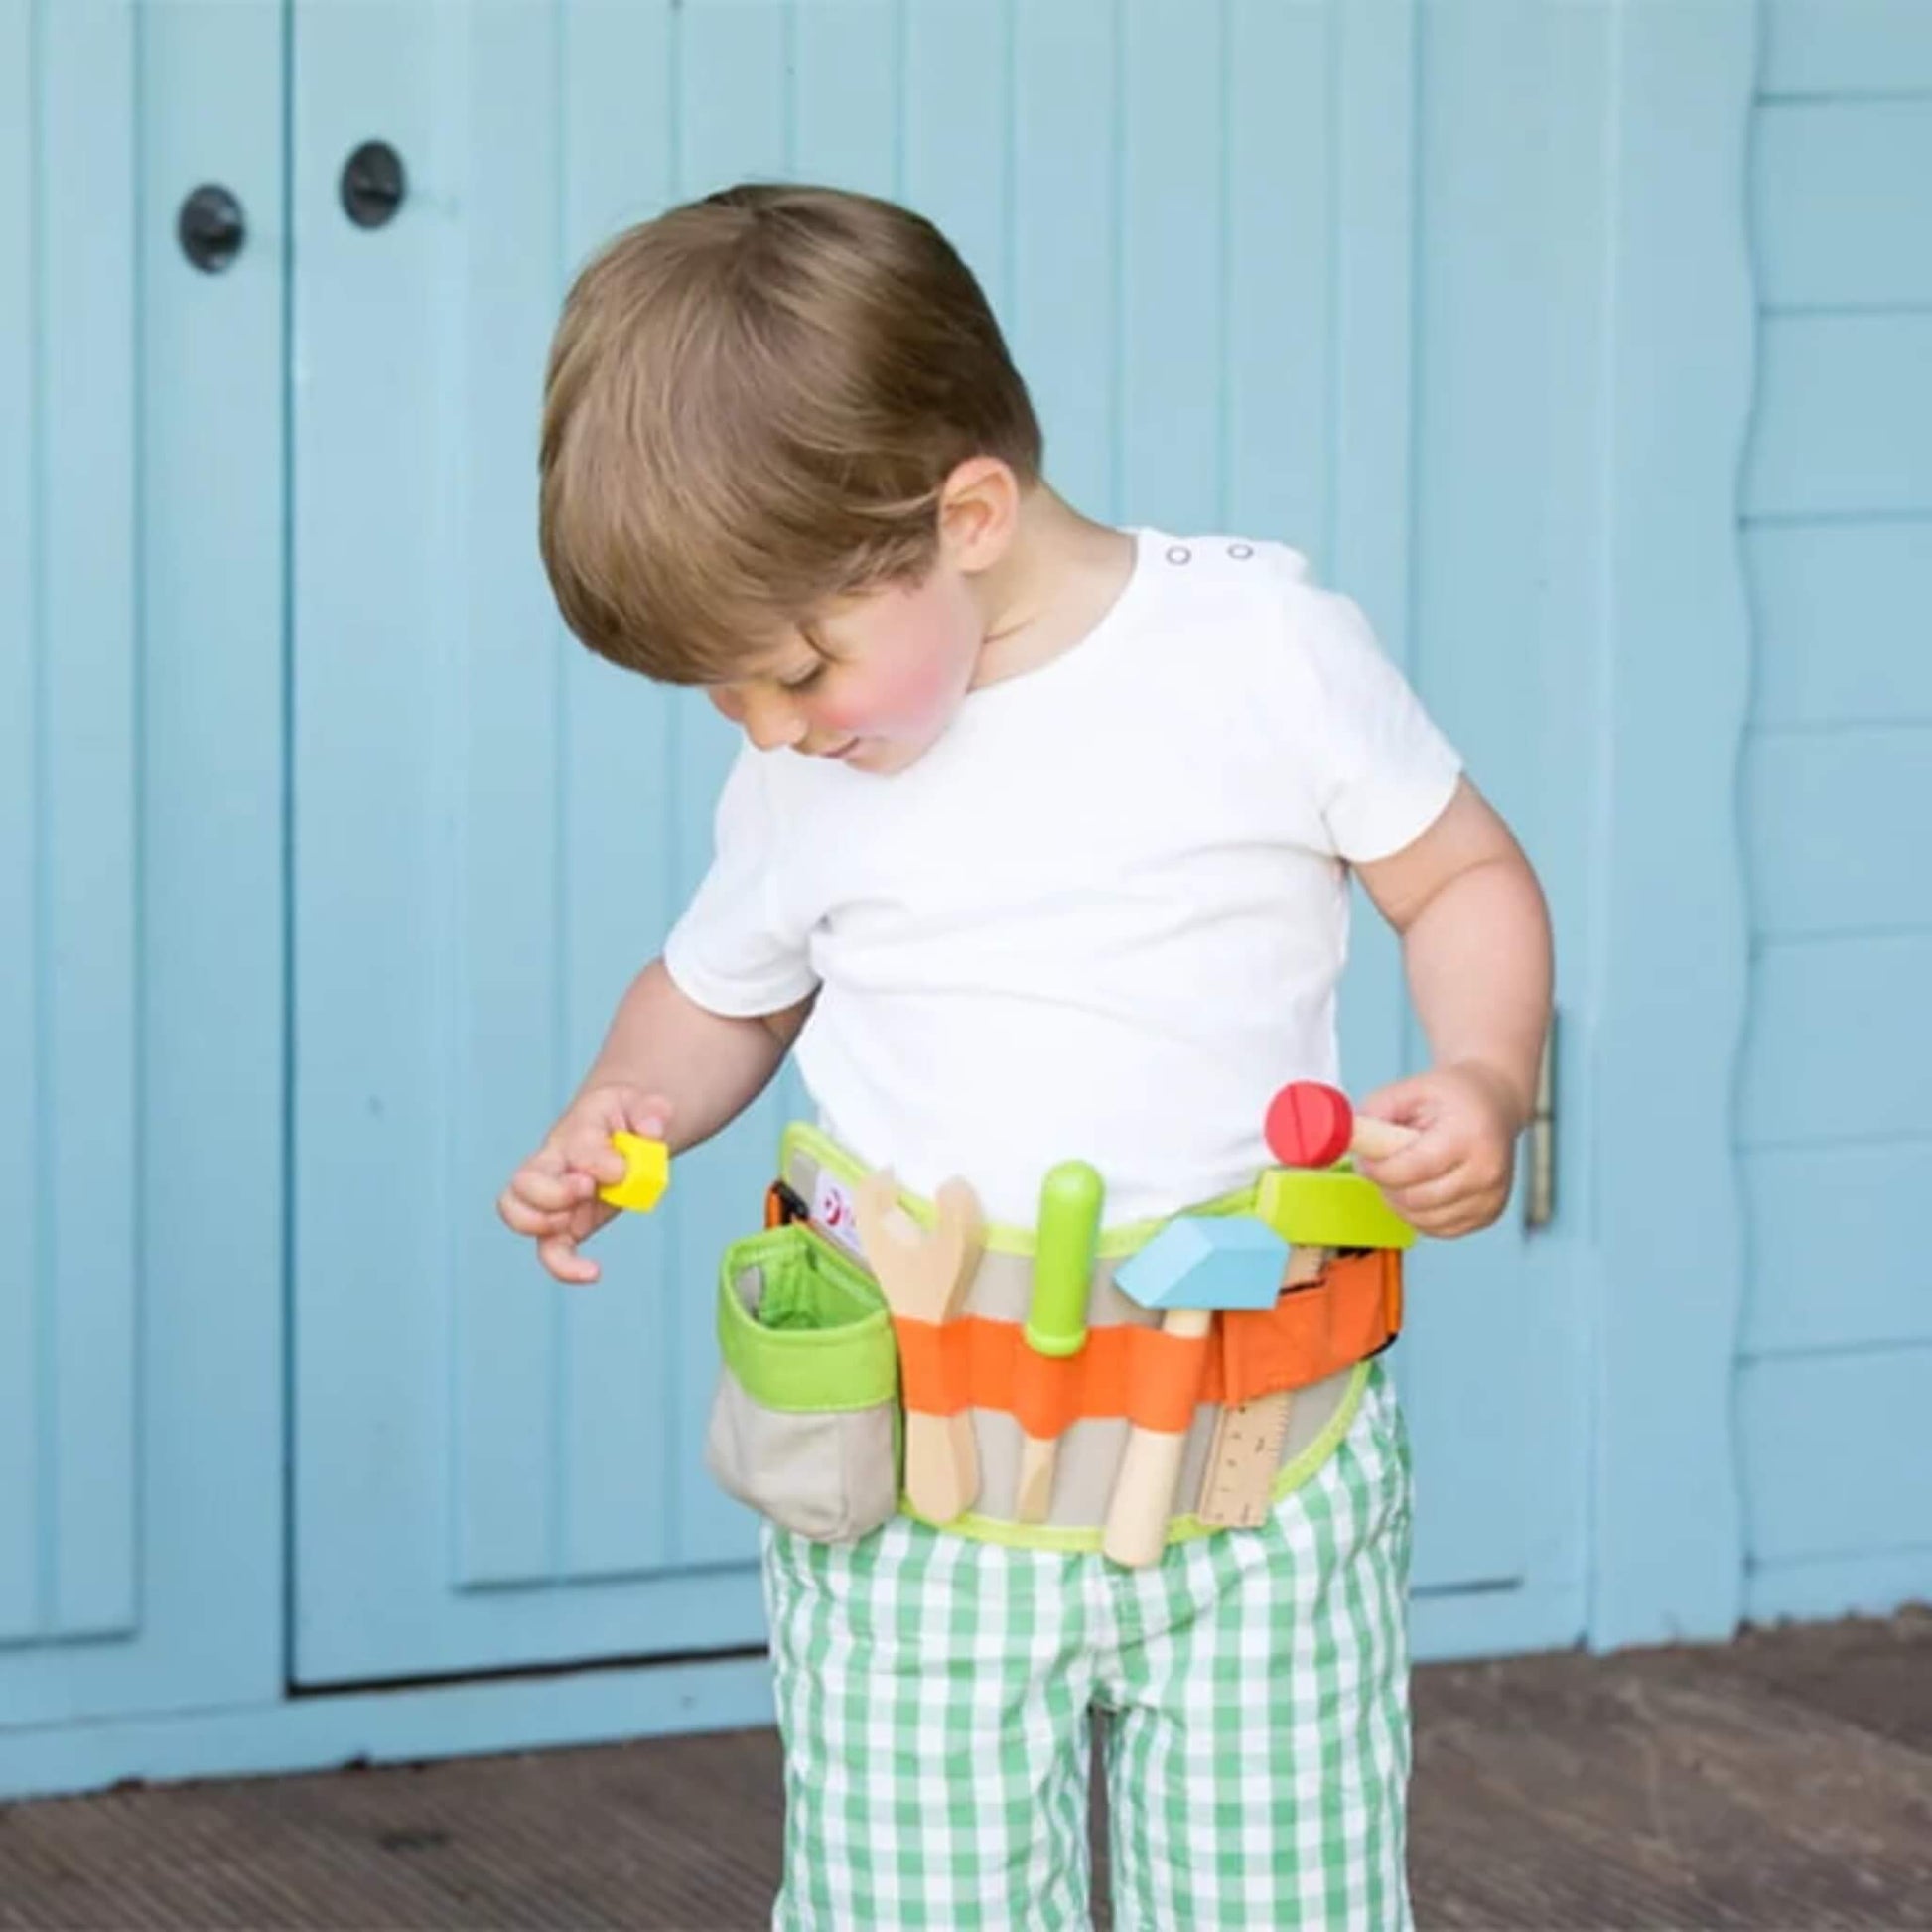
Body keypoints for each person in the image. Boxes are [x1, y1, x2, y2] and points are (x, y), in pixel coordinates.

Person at [499, 182, 1552, 1930]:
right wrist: (630, 1104)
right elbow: (720, 993)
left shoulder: (1263, 659)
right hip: (922, 1509)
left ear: (964, 514)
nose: (767, 729)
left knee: (1285, 1901)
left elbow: (1458, 872)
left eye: (791, 670)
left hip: (1257, 1484)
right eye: (726, 702)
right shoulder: (802, 781)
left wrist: (1488, 1072)